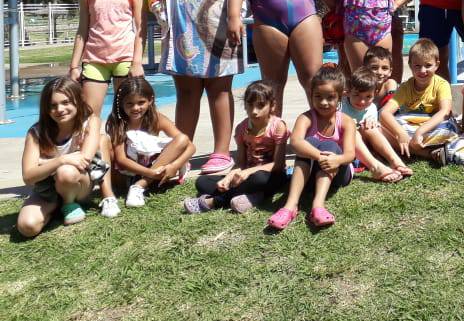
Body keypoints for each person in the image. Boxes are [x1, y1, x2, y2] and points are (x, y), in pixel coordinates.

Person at [149, 0, 243, 177]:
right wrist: (159, 10)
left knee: (220, 90)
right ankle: (182, 151)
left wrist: (238, 16)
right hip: (182, 31)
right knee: (187, 93)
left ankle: (221, 152)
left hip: (222, 33)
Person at [17, 78, 118, 237]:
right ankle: (56, 206)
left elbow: (83, 162)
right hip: (47, 189)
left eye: (66, 102)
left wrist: (45, 165)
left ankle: (69, 204)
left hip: (77, 183)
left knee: (66, 172)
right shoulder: (36, 132)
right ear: (46, 108)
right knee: (27, 226)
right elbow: (28, 177)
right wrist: (61, 160)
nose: (60, 109)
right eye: (53, 105)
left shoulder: (90, 122)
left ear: (78, 101)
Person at [267, 65, 357, 230]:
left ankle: (318, 206)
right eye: (318, 96)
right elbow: (295, 142)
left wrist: (336, 159)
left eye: (330, 97)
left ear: (340, 97)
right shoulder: (306, 117)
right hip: (312, 172)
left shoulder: (346, 121)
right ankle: (290, 206)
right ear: (311, 95)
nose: (323, 102)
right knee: (307, 143)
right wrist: (320, 156)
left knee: (330, 145)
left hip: (339, 173)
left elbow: (350, 154)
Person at [183, 80, 289, 214]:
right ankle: (253, 196)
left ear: (272, 106)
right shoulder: (242, 128)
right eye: (250, 105)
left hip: (271, 176)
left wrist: (248, 172)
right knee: (202, 182)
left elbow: (278, 165)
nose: (254, 111)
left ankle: (214, 201)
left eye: (261, 105)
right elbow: (240, 163)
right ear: (244, 105)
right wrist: (229, 176)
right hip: (246, 177)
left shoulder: (278, 126)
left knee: (259, 178)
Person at [68, 0, 144, 118]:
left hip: (124, 59)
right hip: (94, 60)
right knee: (89, 114)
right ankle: (93, 146)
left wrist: (137, 62)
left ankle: (122, 147)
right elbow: (82, 30)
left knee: (126, 115)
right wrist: (74, 66)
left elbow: (140, 29)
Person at [108, 77, 196, 208]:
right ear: (121, 103)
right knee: (106, 144)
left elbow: (190, 146)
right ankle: (139, 185)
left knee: (182, 139)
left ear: (150, 100)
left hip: (154, 172)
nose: (136, 108)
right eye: (129, 104)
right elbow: (121, 160)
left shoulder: (157, 119)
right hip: (127, 175)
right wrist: (150, 173)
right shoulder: (118, 123)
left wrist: (175, 165)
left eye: (141, 102)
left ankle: (139, 186)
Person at [380, 38, 464, 166]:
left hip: (431, 126)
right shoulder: (405, 87)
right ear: (410, 65)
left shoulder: (441, 84)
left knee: (450, 129)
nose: (422, 71)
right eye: (417, 66)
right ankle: (428, 153)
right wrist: (401, 134)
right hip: (409, 127)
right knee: (380, 128)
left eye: (428, 65)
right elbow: (385, 112)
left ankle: (410, 148)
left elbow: (445, 111)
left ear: (437, 65)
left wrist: (420, 132)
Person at [339, 66, 410, 182]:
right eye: (357, 95)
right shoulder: (341, 105)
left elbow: (372, 130)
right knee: (352, 131)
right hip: (348, 146)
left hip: (366, 146)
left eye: (368, 97)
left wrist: (373, 123)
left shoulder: (371, 108)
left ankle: (396, 162)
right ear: (348, 92)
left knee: (371, 128)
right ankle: (375, 167)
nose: (362, 101)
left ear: (375, 94)